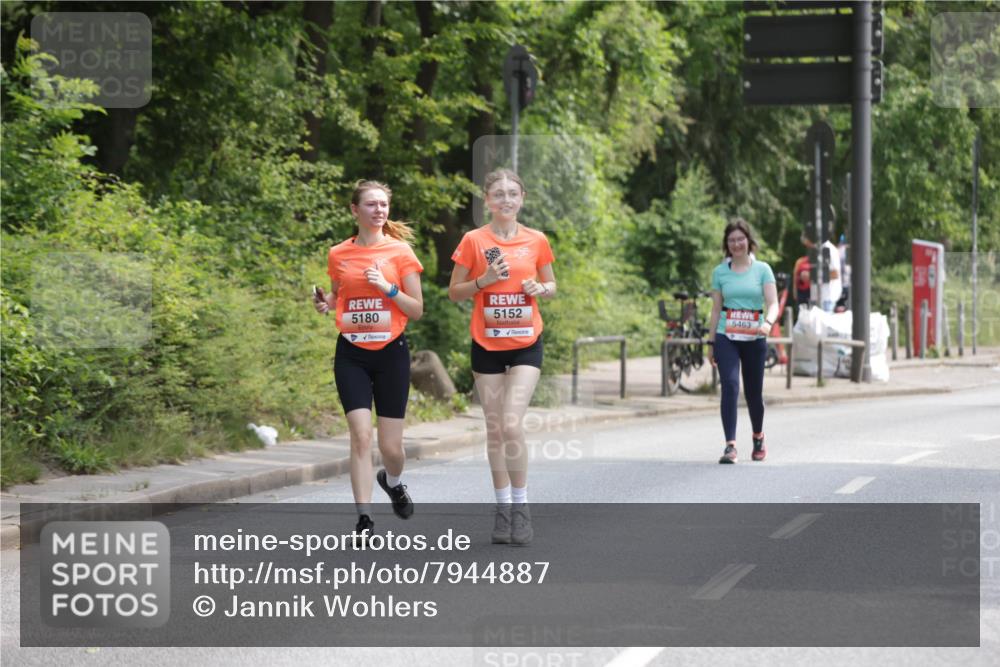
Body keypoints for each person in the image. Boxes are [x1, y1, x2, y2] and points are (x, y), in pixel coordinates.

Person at [448, 169, 556, 546]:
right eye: (498, 194)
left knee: (511, 423)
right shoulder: (474, 241)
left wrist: (540, 288)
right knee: (495, 428)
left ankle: (522, 506)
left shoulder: (536, 240)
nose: (506, 199)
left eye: (512, 193)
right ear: (487, 201)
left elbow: (552, 284)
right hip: (487, 345)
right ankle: (503, 507)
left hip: (526, 343)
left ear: (522, 198)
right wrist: (484, 281)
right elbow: (454, 292)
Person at [313, 180, 423, 543]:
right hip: (352, 353)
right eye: (371, 204)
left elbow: (416, 309)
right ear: (354, 210)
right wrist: (325, 303)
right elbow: (338, 295)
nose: (379, 210)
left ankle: (393, 481)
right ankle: (364, 519)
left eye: (383, 205)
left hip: (391, 352)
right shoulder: (338, 253)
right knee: (361, 436)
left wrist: (387, 288)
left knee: (391, 448)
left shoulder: (400, 252)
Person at [706, 218, 779, 464]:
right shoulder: (719, 272)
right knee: (729, 385)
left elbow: (773, 303)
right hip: (726, 335)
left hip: (754, 337)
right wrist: (711, 342)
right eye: (731, 240)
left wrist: (768, 323)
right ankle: (730, 445)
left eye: (740, 239)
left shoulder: (763, 270)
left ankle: (758, 436)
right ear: (726, 244)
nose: (736, 244)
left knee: (753, 392)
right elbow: (716, 309)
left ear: (749, 241)